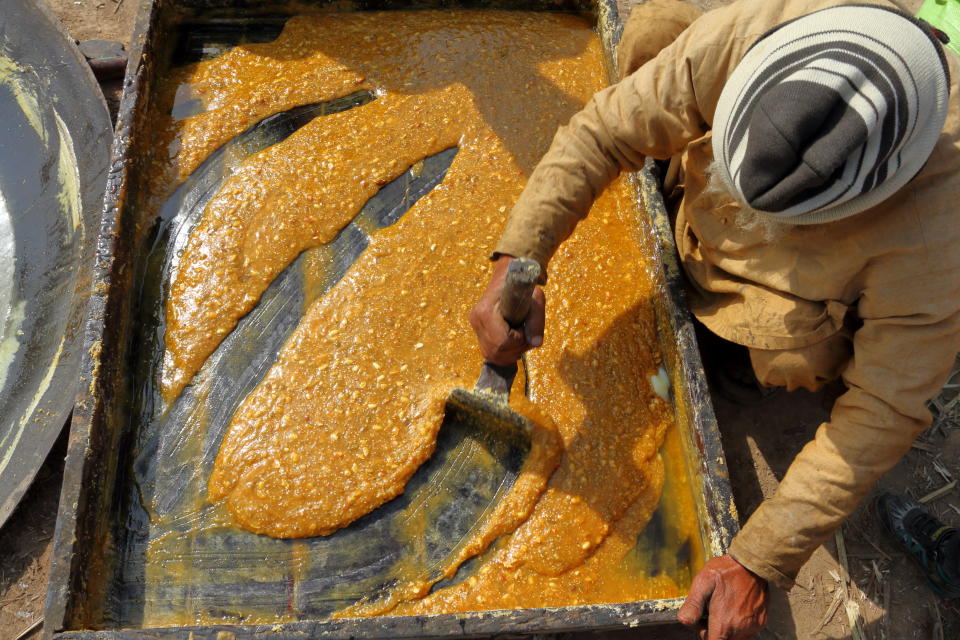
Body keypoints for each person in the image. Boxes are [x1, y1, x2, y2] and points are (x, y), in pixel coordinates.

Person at [468, 0, 960, 637]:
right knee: (650, 32)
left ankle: (739, 353)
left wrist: (759, 557)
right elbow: (601, 132)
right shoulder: (761, 29)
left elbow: (885, 410)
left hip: (811, 313)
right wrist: (520, 253)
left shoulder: (936, 239)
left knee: (791, 354)